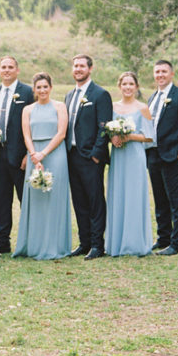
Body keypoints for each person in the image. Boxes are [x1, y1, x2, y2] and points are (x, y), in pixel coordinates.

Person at [13, 73, 71, 260]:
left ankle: (55, 245)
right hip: (34, 154)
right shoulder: (28, 109)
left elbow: (61, 133)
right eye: (39, 87)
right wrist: (34, 156)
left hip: (55, 154)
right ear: (34, 90)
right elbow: (26, 135)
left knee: (54, 198)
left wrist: (43, 154)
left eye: (45, 87)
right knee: (36, 199)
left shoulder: (60, 106)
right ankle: (33, 244)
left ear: (51, 88)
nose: (42, 90)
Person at [146, 60, 178, 256]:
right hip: (153, 155)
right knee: (160, 200)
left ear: (171, 74)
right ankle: (164, 237)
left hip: (173, 156)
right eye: (157, 71)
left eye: (164, 71)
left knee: (176, 200)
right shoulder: (152, 97)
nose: (160, 75)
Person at [64, 54, 113, 260]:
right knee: (79, 201)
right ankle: (84, 242)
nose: (78, 69)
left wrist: (96, 154)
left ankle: (97, 244)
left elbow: (105, 127)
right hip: (71, 155)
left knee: (94, 201)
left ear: (90, 69)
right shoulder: (69, 95)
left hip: (90, 157)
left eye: (82, 66)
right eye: (75, 66)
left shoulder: (100, 94)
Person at [0, 56, 34, 253]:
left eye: (10, 67)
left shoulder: (27, 92)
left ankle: (29, 240)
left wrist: (27, 155)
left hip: (19, 155)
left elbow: (32, 123)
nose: (6, 70)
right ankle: (2, 241)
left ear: (17, 70)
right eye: (3, 67)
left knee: (26, 198)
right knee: (1, 200)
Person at [106, 72, 154, 257]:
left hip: (135, 155)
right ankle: (116, 243)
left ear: (136, 86)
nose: (127, 87)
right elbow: (107, 131)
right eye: (124, 84)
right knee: (118, 195)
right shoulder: (112, 107)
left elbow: (149, 136)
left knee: (134, 196)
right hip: (118, 156)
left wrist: (129, 136)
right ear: (119, 86)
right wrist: (113, 137)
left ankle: (135, 243)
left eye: (131, 84)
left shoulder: (143, 108)